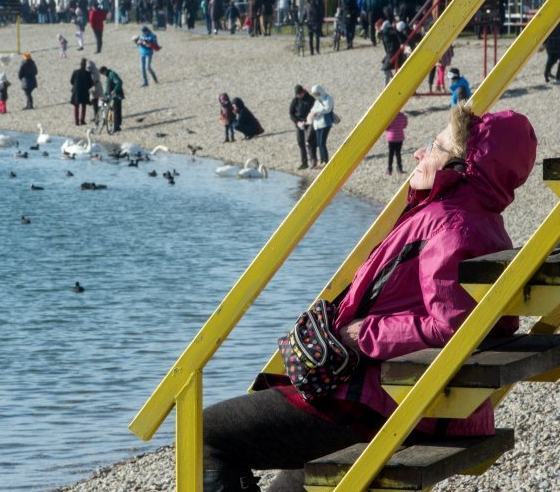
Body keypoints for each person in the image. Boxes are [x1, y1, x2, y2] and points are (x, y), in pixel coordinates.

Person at [202, 105, 538, 492]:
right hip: (409, 397)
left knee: (207, 435)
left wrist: (362, 333)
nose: (419, 153)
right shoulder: (476, 219)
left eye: (435, 145)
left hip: (385, 403)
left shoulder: (451, 224)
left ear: (463, 164)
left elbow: (455, 327)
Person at [289, 85, 317, 169]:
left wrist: (307, 121)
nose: (299, 96)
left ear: (303, 92)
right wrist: (298, 122)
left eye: (300, 94)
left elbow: (314, 111)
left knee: (309, 142)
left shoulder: (311, 99)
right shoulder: (295, 100)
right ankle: (304, 163)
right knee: (301, 143)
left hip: (309, 123)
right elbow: (291, 113)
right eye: (297, 94)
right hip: (299, 124)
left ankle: (313, 161)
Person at [306, 85, 334, 167]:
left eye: (317, 93)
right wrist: (312, 113)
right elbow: (312, 110)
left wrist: (316, 112)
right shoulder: (317, 101)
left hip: (325, 123)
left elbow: (327, 108)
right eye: (314, 94)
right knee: (319, 143)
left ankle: (325, 161)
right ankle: (322, 161)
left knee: (322, 143)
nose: (316, 95)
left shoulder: (328, 98)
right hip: (317, 124)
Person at [544, 17, 560, 83]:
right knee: (555, 60)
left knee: (554, 60)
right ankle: (550, 74)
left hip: (556, 43)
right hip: (555, 42)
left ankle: (549, 74)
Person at [99, 66, 124, 132]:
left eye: (102, 74)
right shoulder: (108, 76)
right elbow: (108, 88)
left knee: (116, 111)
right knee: (114, 110)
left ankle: (116, 126)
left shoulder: (112, 74)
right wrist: (104, 95)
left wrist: (115, 90)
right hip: (112, 97)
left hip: (116, 96)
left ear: (104, 71)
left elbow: (119, 82)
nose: (103, 75)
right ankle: (116, 126)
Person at [70, 58, 93, 125]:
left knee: (76, 106)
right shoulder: (88, 73)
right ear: (85, 66)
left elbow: (71, 81)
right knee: (83, 106)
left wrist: (75, 85)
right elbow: (90, 83)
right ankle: (82, 120)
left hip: (76, 90)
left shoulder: (75, 72)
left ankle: (76, 121)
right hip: (84, 91)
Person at [385, 110, 408, 175]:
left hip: (391, 138)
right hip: (400, 137)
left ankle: (389, 169)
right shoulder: (403, 116)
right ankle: (399, 168)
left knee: (391, 154)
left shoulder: (390, 117)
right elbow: (404, 125)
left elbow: (386, 127)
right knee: (398, 153)